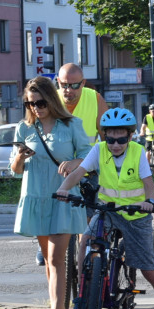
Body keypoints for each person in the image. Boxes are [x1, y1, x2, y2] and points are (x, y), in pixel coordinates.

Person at [55, 108, 154, 309]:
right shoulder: (98, 150)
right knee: (85, 239)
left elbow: (148, 184)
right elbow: (79, 172)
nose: (115, 144)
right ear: (104, 136)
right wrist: (64, 188)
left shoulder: (137, 152)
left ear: (131, 136)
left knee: (147, 268)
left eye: (121, 139)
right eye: (111, 138)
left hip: (136, 215)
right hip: (108, 210)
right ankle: (82, 298)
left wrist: (148, 201)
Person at [10, 76, 92, 309]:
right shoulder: (24, 129)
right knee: (48, 260)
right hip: (35, 197)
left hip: (63, 196)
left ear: (51, 100)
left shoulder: (71, 125)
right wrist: (20, 158)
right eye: (31, 103)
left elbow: (90, 158)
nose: (36, 108)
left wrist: (74, 163)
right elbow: (15, 171)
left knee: (57, 258)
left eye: (41, 102)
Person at [44, 62, 107, 269]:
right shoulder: (47, 101)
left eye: (74, 85)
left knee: (88, 219)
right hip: (56, 167)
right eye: (63, 85)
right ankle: (45, 241)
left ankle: (84, 268)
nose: (68, 91)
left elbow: (107, 137)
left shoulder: (94, 98)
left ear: (84, 83)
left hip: (87, 167)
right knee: (49, 203)